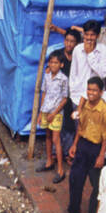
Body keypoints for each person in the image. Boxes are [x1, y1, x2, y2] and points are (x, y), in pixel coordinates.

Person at [63, 76, 106, 213]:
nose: (91, 93)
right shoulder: (84, 105)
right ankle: (73, 209)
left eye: (94, 90)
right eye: (89, 89)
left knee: (96, 185)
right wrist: (74, 145)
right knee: (75, 178)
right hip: (82, 145)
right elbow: (81, 127)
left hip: (96, 148)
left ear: (101, 92)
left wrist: (101, 155)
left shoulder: (105, 111)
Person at [37, 49, 69, 182]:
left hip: (56, 113)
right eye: (51, 62)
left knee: (56, 140)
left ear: (61, 64)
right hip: (46, 111)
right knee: (48, 136)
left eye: (56, 63)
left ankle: (61, 170)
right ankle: (49, 161)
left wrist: (54, 113)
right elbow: (43, 93)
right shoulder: (47, 76)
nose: (53, 65)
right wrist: (41, 112)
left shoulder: (64, 79)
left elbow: (64, 99)